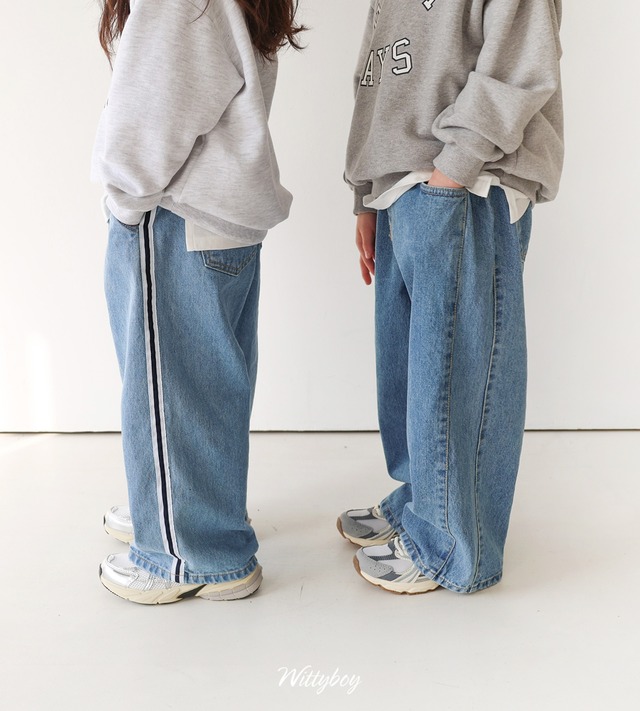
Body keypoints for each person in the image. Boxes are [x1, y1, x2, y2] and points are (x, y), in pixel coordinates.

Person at [339, 0, 563, 595]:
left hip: (466, 180)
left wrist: (454, 169)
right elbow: (375, 77)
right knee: (413, 373)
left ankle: (451, 547)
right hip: (402, 183)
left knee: (457, 372)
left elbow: (522, 61)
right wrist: (366, 193)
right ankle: (424, 502)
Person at [91, 0, 303, 604]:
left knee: (169, 385)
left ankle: (189, 553)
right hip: (225, 217)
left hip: (178, 215)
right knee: (207, 383)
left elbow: (153, 113)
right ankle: (183, 506)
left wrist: (123, 200)